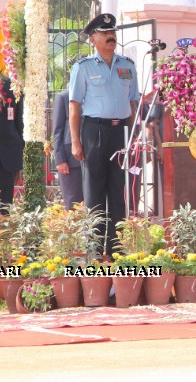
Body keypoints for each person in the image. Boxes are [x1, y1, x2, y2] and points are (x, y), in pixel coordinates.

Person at [69, 13, 139, 255]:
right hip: (94, 132)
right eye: (105, 33)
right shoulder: (83, 68)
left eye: (113, 33)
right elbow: (75, 105)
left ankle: (117, 249)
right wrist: (76, 141)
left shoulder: (127, 66)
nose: (111, 36)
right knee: (95, 192)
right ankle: (95, 251)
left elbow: (133, 103)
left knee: (118, 191)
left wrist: (133, 136)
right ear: (93, 38)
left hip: (120, 131)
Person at [0, 78, 23, 207]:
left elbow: (19, 125)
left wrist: (18, 163)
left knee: (3, 210)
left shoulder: (12, 86)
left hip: (7, 159)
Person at [50, 90, 83, 210]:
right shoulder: (63, 97)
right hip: (70, 161)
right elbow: (57, 131)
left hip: (90, 156)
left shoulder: (93, 95)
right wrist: (60, 160)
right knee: (73, 204)